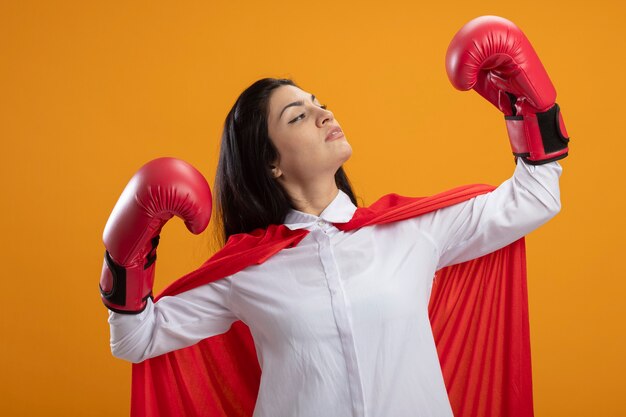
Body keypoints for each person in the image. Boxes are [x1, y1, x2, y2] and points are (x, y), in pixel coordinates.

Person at [100, 16, 568, 417]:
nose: (323, 113)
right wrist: (127, 251)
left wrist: (528, 106)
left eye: (318, 102)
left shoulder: (413, 229)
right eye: (297, 116)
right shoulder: (246, 271)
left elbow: (535, 198)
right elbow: (137, 339)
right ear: (271, 163)